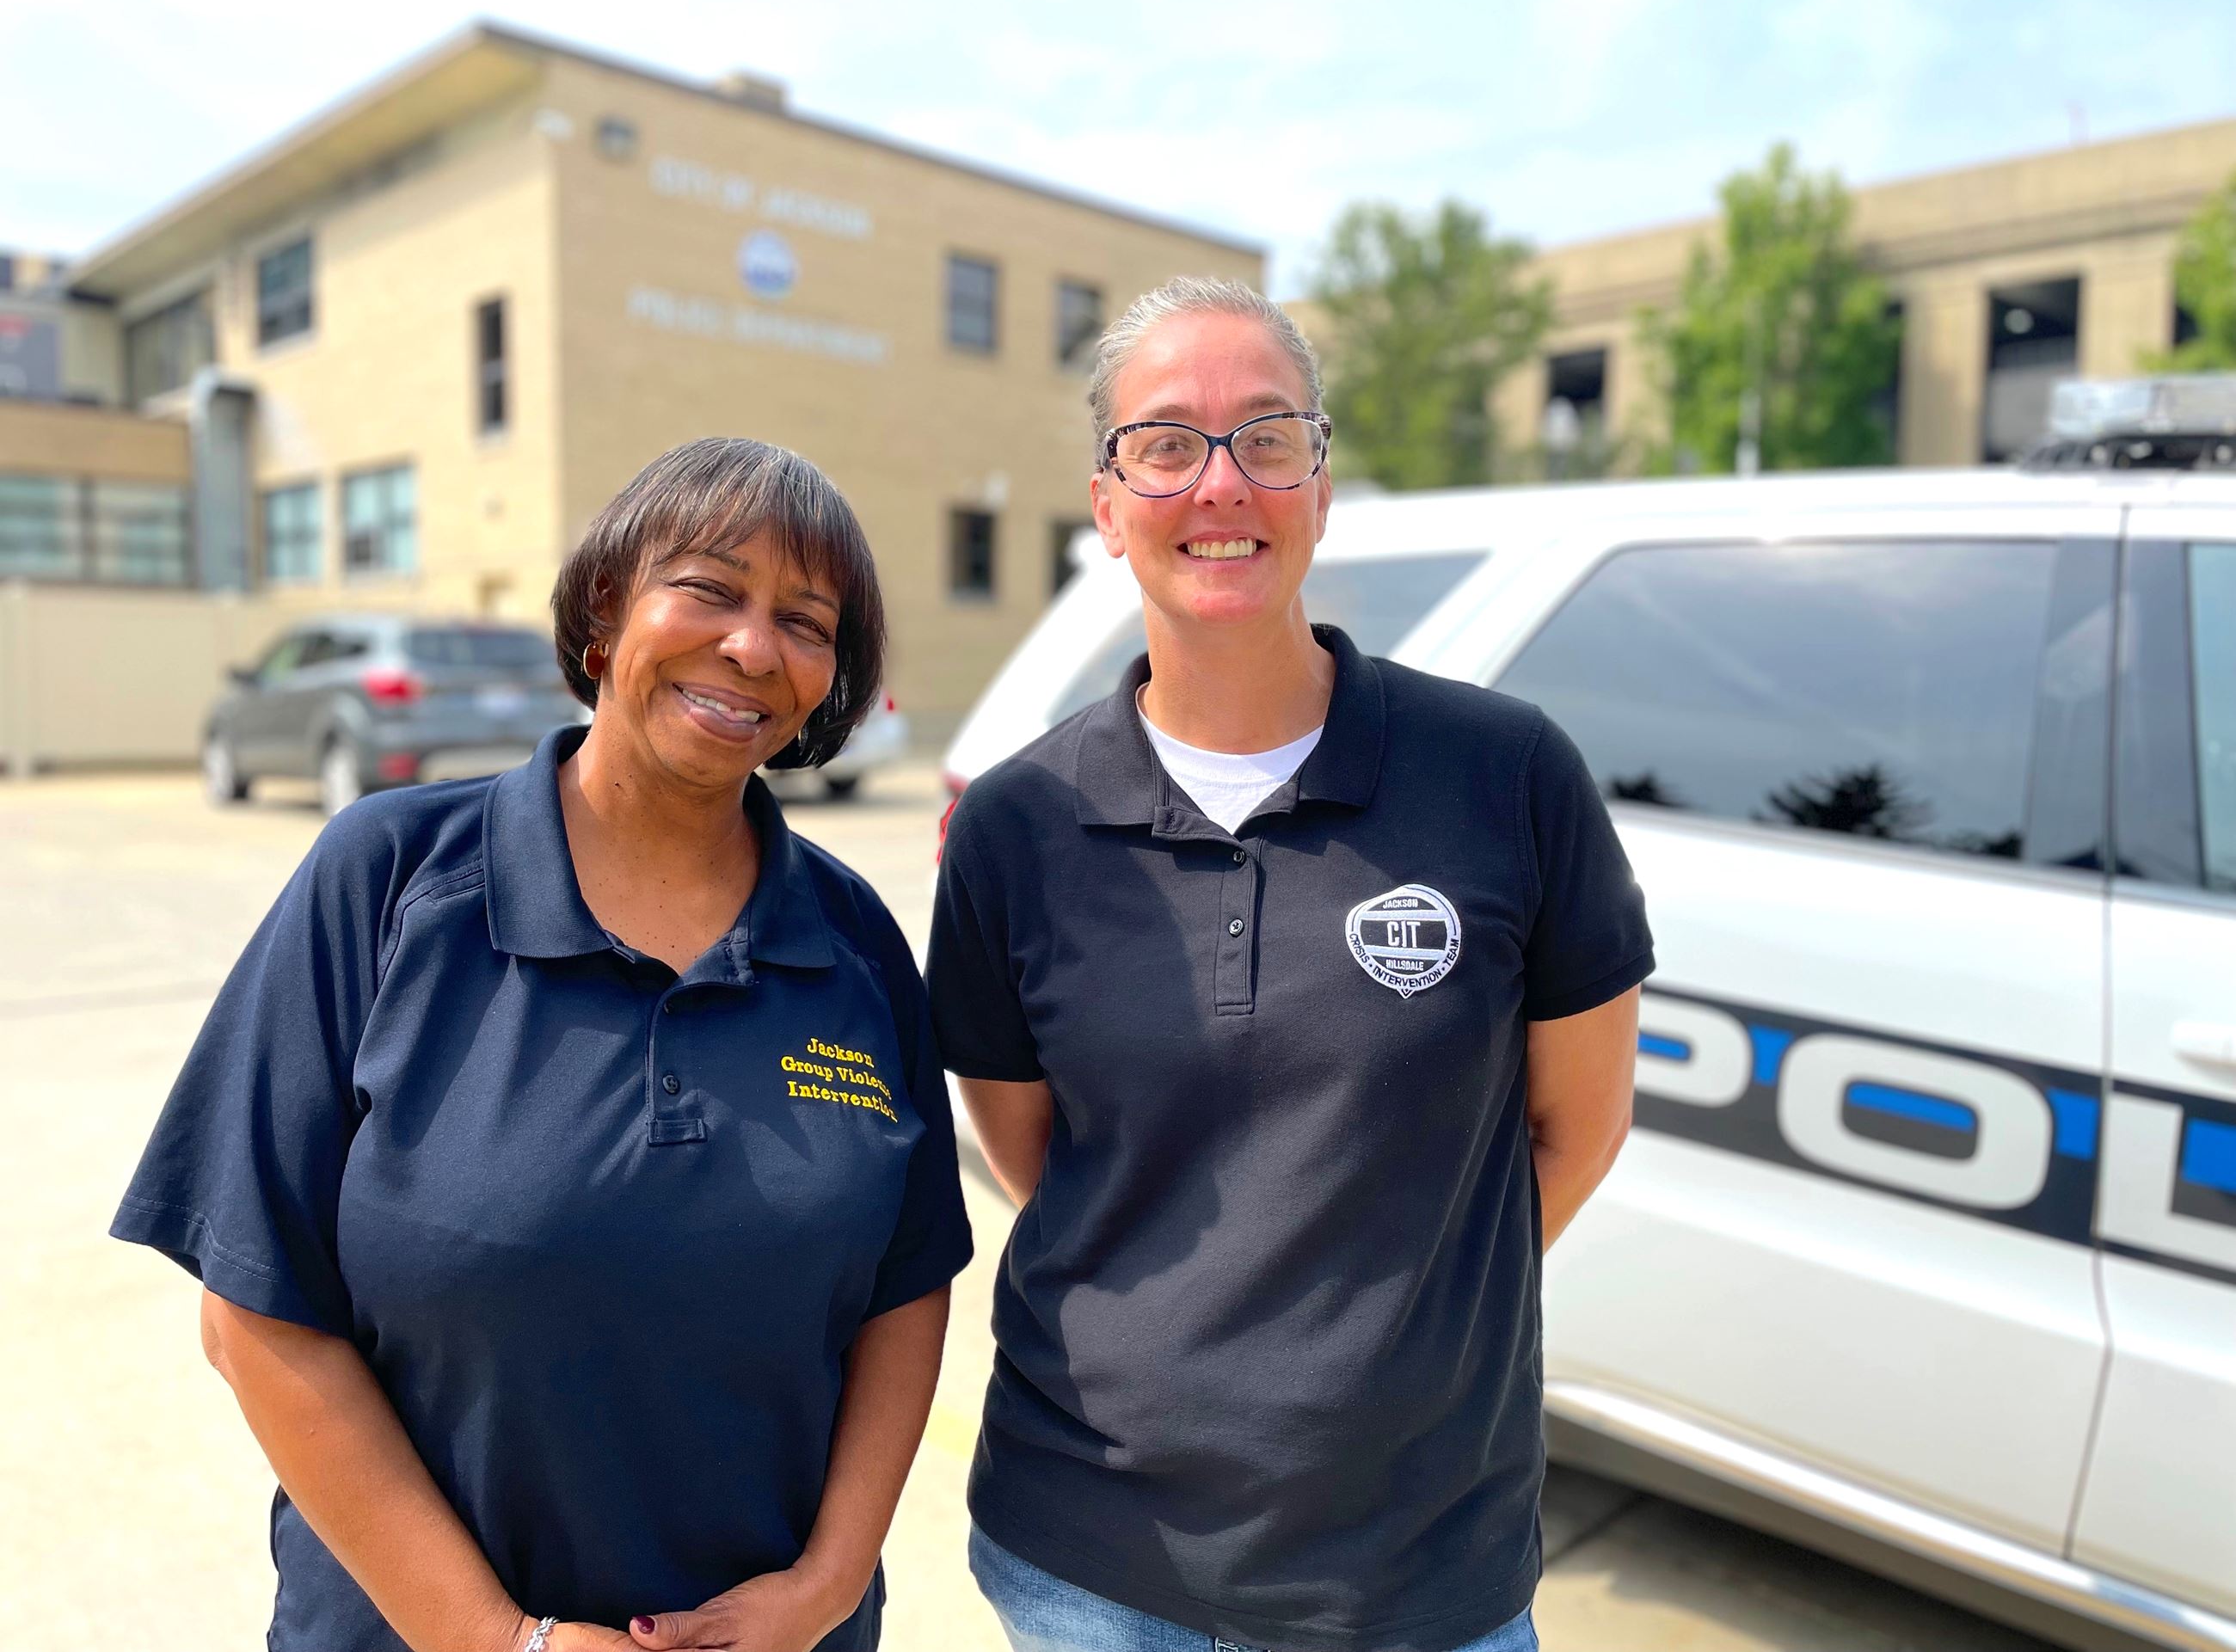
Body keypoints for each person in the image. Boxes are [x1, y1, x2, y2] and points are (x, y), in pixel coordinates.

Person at [112, 439, 972, 1652]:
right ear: (608, 604)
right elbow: (253, 1312)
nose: (754, 647)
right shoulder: (391, 879)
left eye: (805, 619)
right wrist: (499, 1639)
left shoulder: (852, 943)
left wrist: (828, 1584)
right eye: (712, 588)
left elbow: (907, 1284)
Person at [929, 279, 1653, 1652]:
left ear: (1321, 488)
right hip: (1089, 1560)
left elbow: (1579, 1125)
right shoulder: (1018, 826)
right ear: (1107, 501)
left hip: (1419, 1571)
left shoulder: (1507, 777)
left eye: (1268, 437)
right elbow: (1041, 1156)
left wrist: (1391, 1320)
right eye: (1167, 443)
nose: (1221, 482)